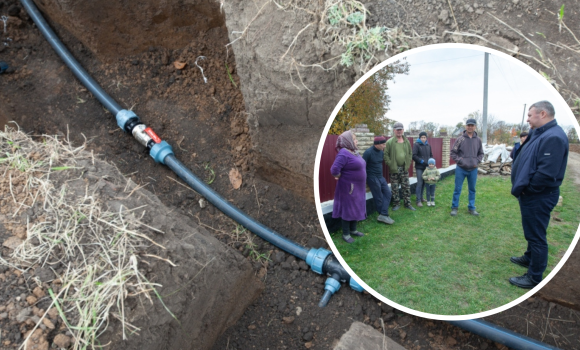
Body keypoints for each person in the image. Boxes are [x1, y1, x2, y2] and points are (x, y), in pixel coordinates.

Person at [509, 101, 568, 289]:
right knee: (531, 230)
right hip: (532, 195)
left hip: (539, 196)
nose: (527, 119)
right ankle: (529, 257)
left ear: (542, 114)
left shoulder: (554, 137)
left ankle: (534, 277)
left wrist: (528, 189)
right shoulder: (539, 132)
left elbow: (546, 173)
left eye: (530, 115)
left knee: (536, 236)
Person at [331, 130, 367, 243]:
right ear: (348, 141)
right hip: (349, 188)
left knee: (355, 207)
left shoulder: (354, 152)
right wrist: (338, 175)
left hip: (358, 187)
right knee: (348, 209)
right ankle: (346, 234)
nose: (356, 141)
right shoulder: (343, 153)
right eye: (354, 139)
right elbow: (334, 169)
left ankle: (353, 230)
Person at [450, 118, 484, 216]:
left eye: (472, 125)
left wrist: (477, 161)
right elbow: (453, 152)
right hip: (461, 169)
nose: (470, 127)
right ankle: (454, 207)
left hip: (473, 169)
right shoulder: (460, 139)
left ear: (475, 127)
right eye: (468, 125)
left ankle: (471, 208)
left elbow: (481, 153)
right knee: (457, 189)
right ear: (466, 126)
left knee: (472, 189)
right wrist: (460, 161)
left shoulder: (478, 140)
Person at [363, 135, 395, 225]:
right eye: (383, 144)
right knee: (379, 197)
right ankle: (384, 215)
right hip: (372, 178)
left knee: (388, 193)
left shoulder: (381, 152)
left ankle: (383, 214)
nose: (385, 146)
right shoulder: (368, 152)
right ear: (378, 144)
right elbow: (362, 166)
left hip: (380, 177)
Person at [384, 122, 415, 211]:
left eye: (400, 129)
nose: (399, 131)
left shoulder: (406, 141)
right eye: (397, 130)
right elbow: (385, 155)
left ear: (403, 130)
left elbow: (410, 153)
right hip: (394, 168)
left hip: (404, 168)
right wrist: (391, 164)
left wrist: (408, 163)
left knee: (406, 187)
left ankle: (407, 203)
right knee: (395, 187)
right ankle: (396, 204)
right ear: (394, 130)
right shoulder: (390, 142)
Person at [412, 131, 433, 207]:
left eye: (424, 137)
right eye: (422, 137)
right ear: (419, 138)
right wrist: (421, 161)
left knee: (424, 183)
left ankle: (421, 198)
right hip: (419, 167)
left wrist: (431, 162)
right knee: (420, 183)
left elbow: (431, 155)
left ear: (426, 138)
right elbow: (413, 155)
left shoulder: (428, 145)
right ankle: (418, 201)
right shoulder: (417, 145)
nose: (423, 139)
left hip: (426, 167)